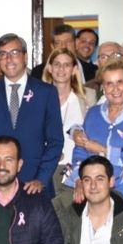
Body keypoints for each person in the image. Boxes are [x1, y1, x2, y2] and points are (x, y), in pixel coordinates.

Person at [0, 33, 64, 198]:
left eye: (14, 53)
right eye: (3, 54)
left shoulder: (46, 92)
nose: (9, 59)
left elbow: (55, 141)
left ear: (25, 57)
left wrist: (41, 179)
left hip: (35, 185)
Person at [69, 59, 123, 205]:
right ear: (103, 87)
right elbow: (80, 151)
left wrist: (102, 150)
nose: (115, 89)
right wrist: (78, 179)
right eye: (109, 83)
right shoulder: (93, 113)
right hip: (91, 193)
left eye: (120, 82)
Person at [41, 48, 95, 196]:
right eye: (57, 64)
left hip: (76, 172)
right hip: (45, 169)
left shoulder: (88, 97)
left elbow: (92, 134)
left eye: (66, 65)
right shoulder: (38, 97)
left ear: (74, 69)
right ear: (50, 68)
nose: (61, 69)